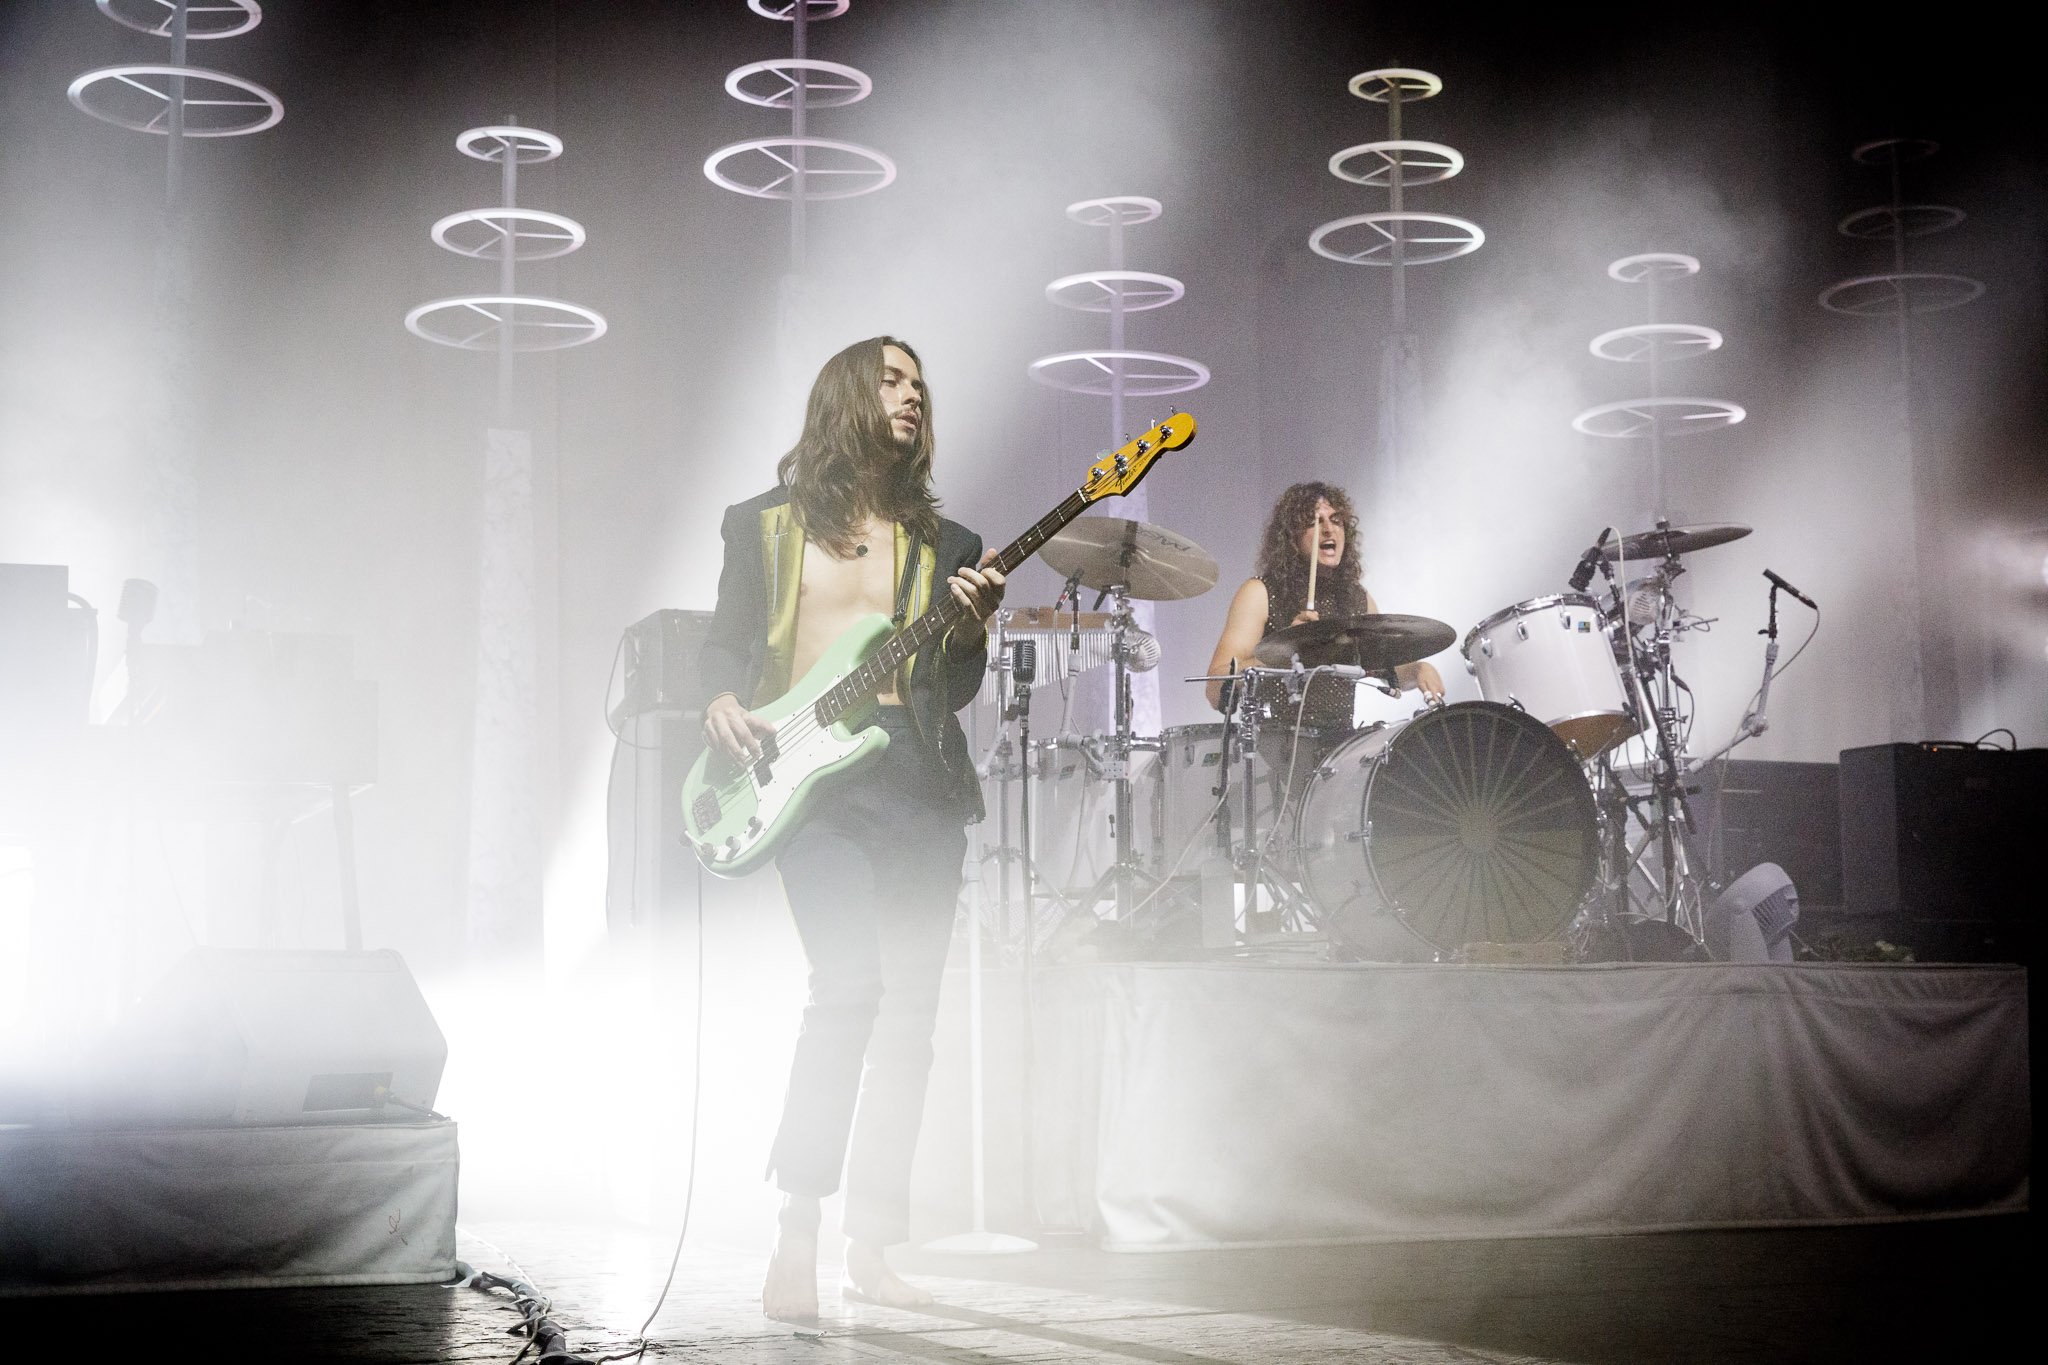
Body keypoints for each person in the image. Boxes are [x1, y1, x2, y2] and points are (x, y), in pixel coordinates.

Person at [695, 336, 1005, 1321]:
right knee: (848, 990)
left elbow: (949, 691)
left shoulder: (947, 546)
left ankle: (872, 1245)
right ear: (844, 398)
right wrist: (720, 701)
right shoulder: (761, 526)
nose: (911, 396)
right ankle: (796, 1228)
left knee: (909, 1020)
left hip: (917, 791)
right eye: (891, 379)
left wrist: (971, 630)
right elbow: (725, 641)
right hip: (810, 790)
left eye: (919, 384)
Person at [1204, 481, 1445, 715]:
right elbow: (1215, 689)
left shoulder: (1358, 599)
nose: (1329, 529)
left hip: (1340, 747)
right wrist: (1281, 654)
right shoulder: (1260, 592)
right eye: (1314, 523)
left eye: (1336, 521)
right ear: (1291, 539)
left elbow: (1382, 666)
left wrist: (1417, 670)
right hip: (1276, 746)